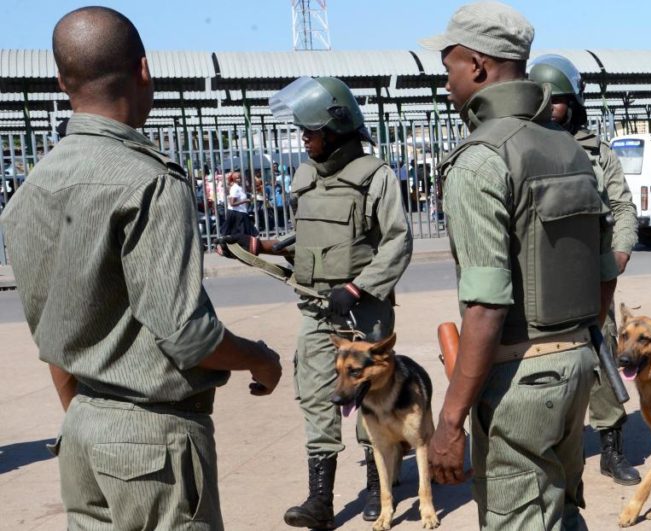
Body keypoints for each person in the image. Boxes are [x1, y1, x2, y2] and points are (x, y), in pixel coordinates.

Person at [0, 7, 282, 530]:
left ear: (62, 82)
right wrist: (261, 359)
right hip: (154, 439)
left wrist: (87, 416)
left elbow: (55, 328)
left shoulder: (33, 188)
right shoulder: (150, 182)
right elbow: (187, 335)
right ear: (144, 70)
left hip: (82, 429)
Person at [421, 2, 606, 529]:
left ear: (478, 66)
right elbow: (603, 272)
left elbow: (485, 307)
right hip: (574, 366)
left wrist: (451, 421)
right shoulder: (570, 151)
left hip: (521, 381)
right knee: (564, 513)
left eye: (449, 66)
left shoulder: (480, 159)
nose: (447, 81)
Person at [228, 76, 413, 529]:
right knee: (316, 397)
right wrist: (265, 246)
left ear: (335, 128)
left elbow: (397, 242)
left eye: (309, 131)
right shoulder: (306, 176)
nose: (303, 139)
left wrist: (357, 287)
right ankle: (320, 501)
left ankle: (377, 488)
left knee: (371, 396)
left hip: (362, 311)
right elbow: (311, 240)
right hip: (316, 310)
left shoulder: (376, 177)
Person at [528, 54, 641, 486]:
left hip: (592, 278)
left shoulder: (599, 152)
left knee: (602, 359)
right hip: (541, 279)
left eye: (558, 99)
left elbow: (623, 206)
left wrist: (620, 252)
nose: (550, 106)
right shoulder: (526, 148)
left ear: (573, 102)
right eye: (543, 98)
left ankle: (611, 450)